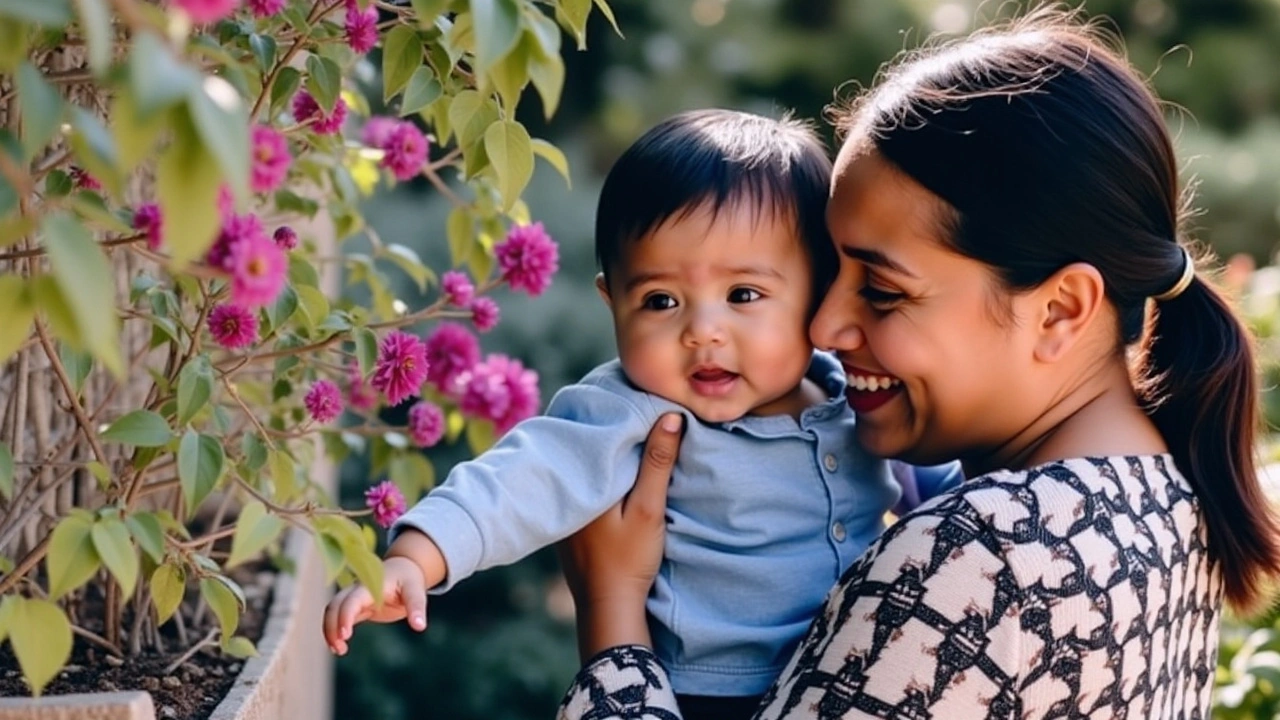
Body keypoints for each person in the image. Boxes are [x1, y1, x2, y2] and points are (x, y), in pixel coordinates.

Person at [555, 8, 1280, 719]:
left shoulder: (986, 552)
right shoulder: (1166, 497)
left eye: (880, 289)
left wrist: (613, 615)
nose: (824, 326)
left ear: (1059, 309)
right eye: (824, 275)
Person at [321, 109, 961, 717]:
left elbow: (941, 490)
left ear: (819, 290)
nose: (703, 331)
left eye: (743, 294)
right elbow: (523, 476)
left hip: (851, 675)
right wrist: (416, 556)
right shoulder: (635, 411)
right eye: (660, 300)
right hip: (704, 696)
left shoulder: (853, 398)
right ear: (611, 302)